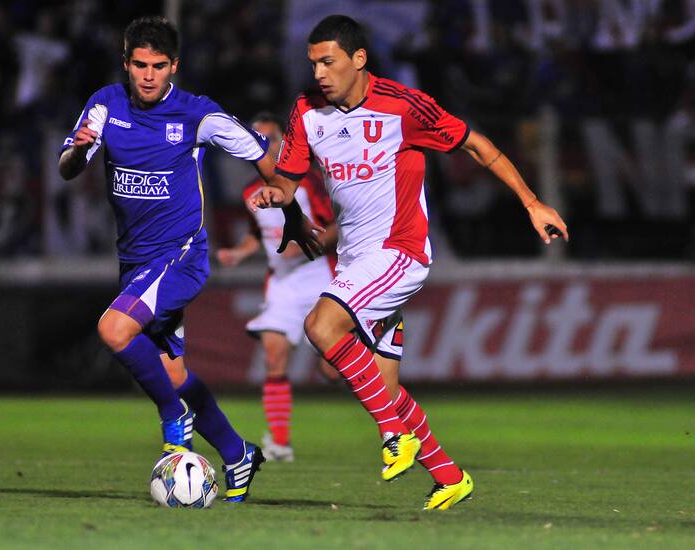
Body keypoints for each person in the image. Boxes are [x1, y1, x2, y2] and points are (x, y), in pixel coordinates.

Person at [248, 15, 568, 510]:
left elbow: (478, 147)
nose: (319, 74)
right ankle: (450, 476)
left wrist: (531, 201)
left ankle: (394, 437)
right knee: (384, 388)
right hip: (356, 261)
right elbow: (289, 178)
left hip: (401, 251)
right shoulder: (307, 112)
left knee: (321, 326)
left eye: (328, 62)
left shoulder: (403, 106)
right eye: (313, 64)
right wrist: (278, 192)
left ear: (359, 59)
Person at [58, 16, 275, 503]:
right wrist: (78, 151)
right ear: (126, 63)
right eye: (140, 65)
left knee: (114, 330)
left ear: (173, 66)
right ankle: (238, 452)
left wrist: (285, 200)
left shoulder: (197, 115)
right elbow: (69, 166)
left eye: (159, 66)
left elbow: (261, 153)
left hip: (180, 256)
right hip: (135, 262)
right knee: (174, 374)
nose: (149, 75)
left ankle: (174, 416)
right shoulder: (104, 105)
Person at [216, 112, 338, 462]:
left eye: (268, 140)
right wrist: (239, 253)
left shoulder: (308, 183)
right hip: (282, 282)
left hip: (320, 278)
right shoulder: (249, 192)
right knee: (274, 355)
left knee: (333, 369)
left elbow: (337, 226)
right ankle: (280, 444)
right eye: (255, 140)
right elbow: (260, 232)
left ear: (284, 144)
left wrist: (309, 245)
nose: (262, 147)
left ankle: (390, 421)